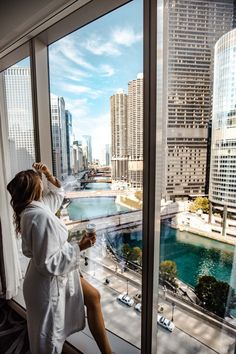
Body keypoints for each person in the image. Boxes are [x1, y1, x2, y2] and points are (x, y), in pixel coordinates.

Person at [7, 162, 114, 354]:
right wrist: (81, 246)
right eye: (39, 180)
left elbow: (58, 194)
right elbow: (49, 262)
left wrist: (48, 173)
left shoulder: (34, 208)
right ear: (33, 188)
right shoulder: (38, 216)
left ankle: (108, 352)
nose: (42, 182)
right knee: (48, 339)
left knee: (93, 297)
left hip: (57, 275)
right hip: (48, 282)